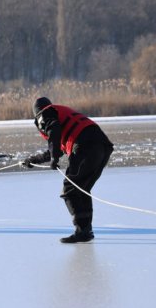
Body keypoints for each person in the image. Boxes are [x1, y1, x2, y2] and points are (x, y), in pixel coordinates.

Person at [22, 97, 113, 243]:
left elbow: (53, 130)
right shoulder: (59, 113)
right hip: (103, 146)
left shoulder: (45, 114)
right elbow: (56, 145)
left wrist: (54, 158)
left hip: (85, 145)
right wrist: (33, 160)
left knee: (70, 189)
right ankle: (85, 231)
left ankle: (83, 231)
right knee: (81, 189)